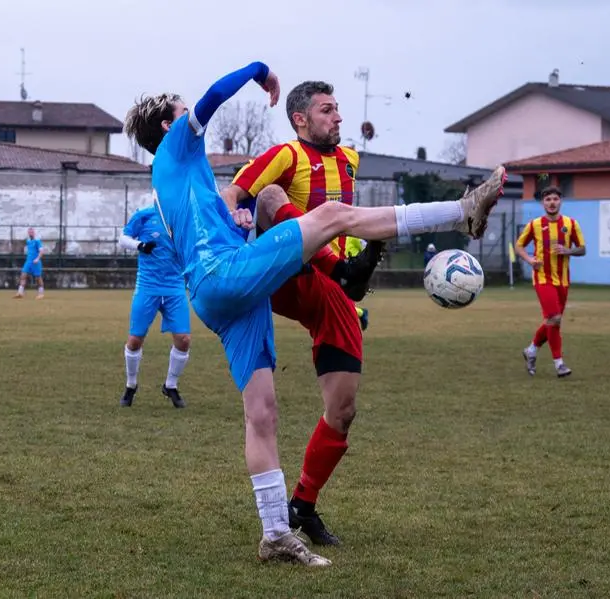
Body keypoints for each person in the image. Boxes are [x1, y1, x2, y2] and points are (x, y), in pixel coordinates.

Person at [124, 60, 505, 566]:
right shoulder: (175, 149)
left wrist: (241, 218)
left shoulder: (182, 180)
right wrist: (261, 72)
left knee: (262, 413)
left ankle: (276, 532)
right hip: (224, 274)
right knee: (327, 216)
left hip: (222, 292)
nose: (192, 115)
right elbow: (216, 95)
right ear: (171, 126)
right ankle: (461, 212)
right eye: (183, 113)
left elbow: (217, 220)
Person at [221, 79, 504, 547]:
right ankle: (457, 211)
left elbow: (350, 223)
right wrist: (236, 215)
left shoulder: (350, 160)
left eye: (338, 110)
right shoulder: (284, 155)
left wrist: (360, 263)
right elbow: (237, 193)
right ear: (300, 119)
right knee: (272, 196)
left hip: (328, 286)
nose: (338, 118)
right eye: (328, 110)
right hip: (280, 273)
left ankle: (303, 506)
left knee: (343, 408)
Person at [117, 205, 191, 409]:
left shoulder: (182, 215)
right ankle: (131, 385)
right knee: (134, 341)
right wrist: (140, 245)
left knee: (184, 340)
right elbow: (123, 238)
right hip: (147, 286)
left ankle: (171, 385)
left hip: (175, 287)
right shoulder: (145, 215)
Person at [515, 186, 585, 378]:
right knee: (554, 317)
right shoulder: (534, 224)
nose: (552, 202)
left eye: (555, 199)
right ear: (543, 203)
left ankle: (531, 350)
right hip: (542, 278)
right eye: (548, 200)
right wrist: (530, 261)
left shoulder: (571, 224)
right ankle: (559, 364)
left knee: (553, 322)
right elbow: (519, 245)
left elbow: (582, 249)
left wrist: (567, 250)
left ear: (560, 201)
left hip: (563, 280)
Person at [13, 227, 44, 299]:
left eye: (32, 232)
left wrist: (37, 259)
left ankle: (41, 293)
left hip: (36, 262)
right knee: (23, 275)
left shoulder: (37, 241)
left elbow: (41, 251)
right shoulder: (28, 241)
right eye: (29, 232)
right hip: (28, 262)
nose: (30, 233)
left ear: (34, 233)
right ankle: (20, 293)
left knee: (38, 278)